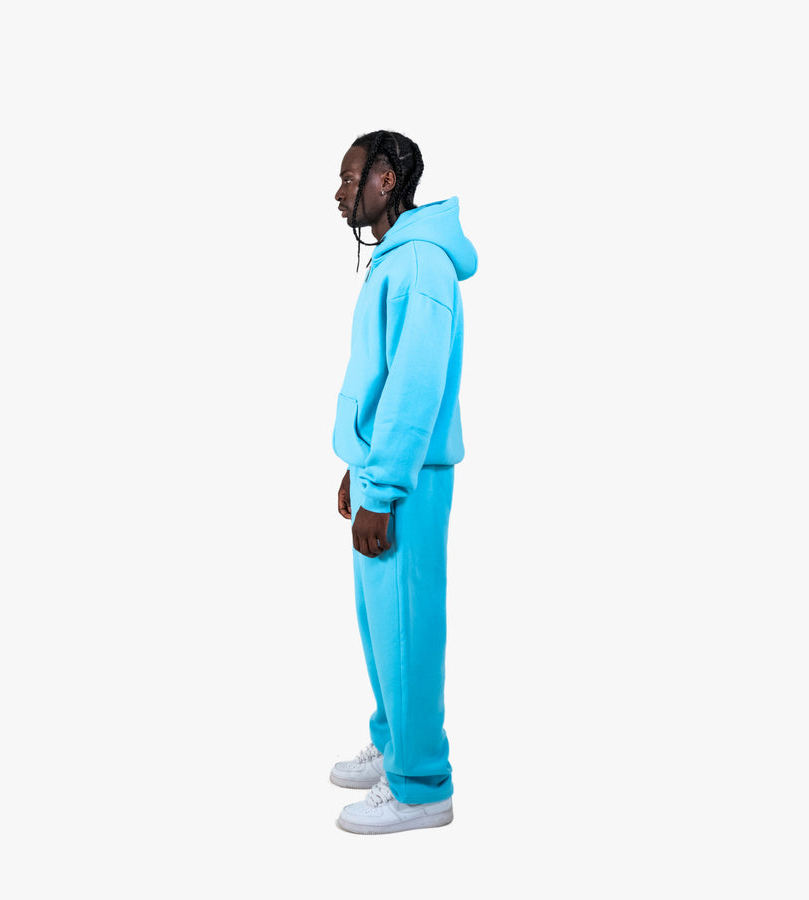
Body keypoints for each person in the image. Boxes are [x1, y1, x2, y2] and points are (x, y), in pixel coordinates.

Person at [329, 130, 478, 834]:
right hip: (381, 470)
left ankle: (421, 787)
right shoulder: (397, 257)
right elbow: (381, 376)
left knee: (410, 628)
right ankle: (394, 747)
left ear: (385, 180)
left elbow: (417, 386)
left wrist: (383, 487)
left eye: (349, 177)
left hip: (406, 482)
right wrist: (356, 463)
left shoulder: (420, 264)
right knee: (383, 624)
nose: (339, 193)